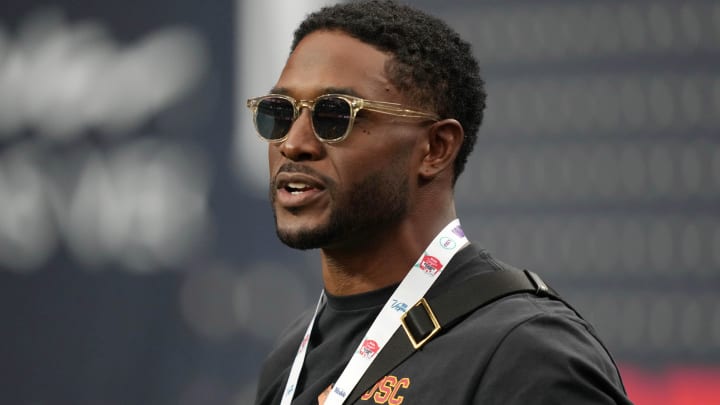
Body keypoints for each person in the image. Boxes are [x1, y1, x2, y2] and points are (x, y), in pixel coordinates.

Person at [246, 1, 633, 404]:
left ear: (435, 148)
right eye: (281, 113)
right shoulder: (290, 357)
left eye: (334, 116)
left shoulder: (526, 353)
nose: (293, 143)